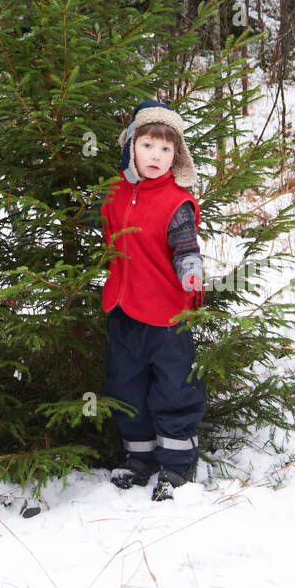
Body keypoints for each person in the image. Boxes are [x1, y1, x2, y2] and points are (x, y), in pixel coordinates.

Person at [100, 99, 206, 502]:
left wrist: (191, 271)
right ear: (130, 147)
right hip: (124, 310)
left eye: (166, 149)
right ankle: (139, 457)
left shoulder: (175, 201)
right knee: (126, 385)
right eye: (147, 145)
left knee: (173, 387)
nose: (156, 156)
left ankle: (178, 464)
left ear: (177, 154)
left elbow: (185, 245)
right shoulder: (114, 193)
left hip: (167, 314)